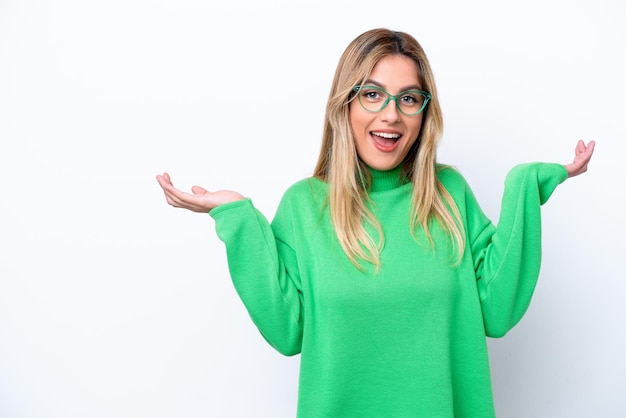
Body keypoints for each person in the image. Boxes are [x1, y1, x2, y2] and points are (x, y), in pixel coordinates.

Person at [156, 28, 595, 418]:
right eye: (372, 94)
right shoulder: (305, 206)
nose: (391, 114)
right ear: (345, 104)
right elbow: (288, 331)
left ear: (424, 112)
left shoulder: (449, 197)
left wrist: (525, 186)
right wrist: (237, 217)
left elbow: (497, 313)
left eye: (408, 98)